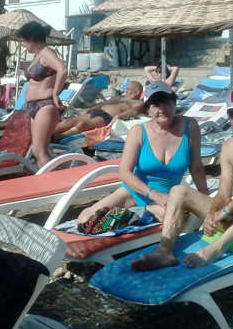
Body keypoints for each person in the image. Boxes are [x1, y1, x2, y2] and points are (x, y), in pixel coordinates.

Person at [131, 86, 233, 271]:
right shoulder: (230, 146)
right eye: (232, 113)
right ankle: (164, 251)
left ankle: (217, 248)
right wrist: (212, 214)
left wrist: (227, 210)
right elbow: (223, 194)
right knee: (178, 191)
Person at [77, 82, 208, 224]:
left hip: (166, 198)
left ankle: (141, 213)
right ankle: (139, 213)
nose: (162, 109)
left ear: (174, 104)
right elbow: (124, 173)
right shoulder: (138, 132)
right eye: (155, 105)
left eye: (167, 103)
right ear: (147, 110)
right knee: (85, 220)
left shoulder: (189, 126)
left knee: (173, 215)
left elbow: (196, 167)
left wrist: (205, 201)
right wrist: (155, 195)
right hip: (133, 193)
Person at [17, 21, 68, 167]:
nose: (23, 45)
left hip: (45, 104)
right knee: (37, 151)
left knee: (40, 151)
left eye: (24, 41)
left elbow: (63, 70)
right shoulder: (38, 55)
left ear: (32, 39)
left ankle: (54, 180)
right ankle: (46, 179)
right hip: (34, 105)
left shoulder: (47, 52)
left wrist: (56, 93)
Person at [52, 81, 145, 142]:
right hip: (98, 111)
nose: (125, 91)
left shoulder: (139, 103)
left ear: (136, 92)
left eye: (128, 89)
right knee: (67, 122)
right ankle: (48, 133)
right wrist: (89, 110)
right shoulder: (122, 98)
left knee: (82, 124)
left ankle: (61, 136)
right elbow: (102, 105)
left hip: (107, 117)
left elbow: (134, 111)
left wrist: (118, 116)